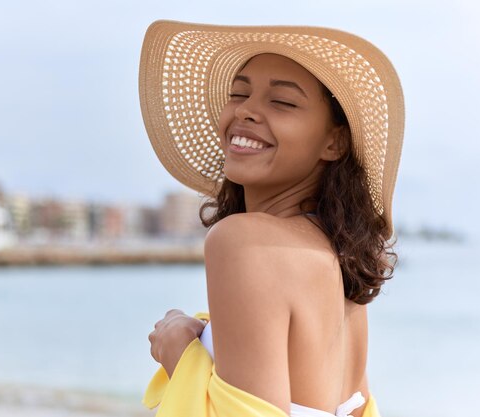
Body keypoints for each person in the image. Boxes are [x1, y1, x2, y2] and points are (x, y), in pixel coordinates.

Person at [140, 21, 404, 417]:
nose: (245, 110)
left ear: (334, 141)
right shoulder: (342, 264)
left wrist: (179, 352)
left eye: (282, 102)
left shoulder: (243, 241)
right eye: (239, 93)